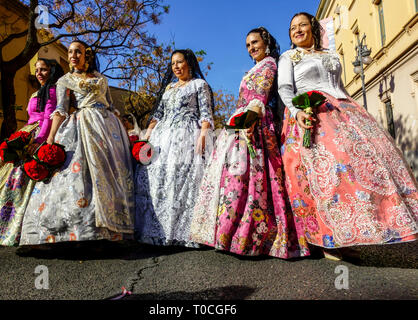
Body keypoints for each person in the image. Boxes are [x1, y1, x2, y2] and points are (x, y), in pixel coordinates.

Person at [278, 12, 418, 260]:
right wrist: (298, 112)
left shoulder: (331, 55)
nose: (297, 30)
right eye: (292, 28)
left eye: (302, 25)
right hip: (308, 113)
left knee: (367, 162)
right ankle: (328, 240)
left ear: (313, 28)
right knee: (326, 172)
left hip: (342, 108)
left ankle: (366, 226)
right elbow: (285, 89)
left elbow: (339, 86)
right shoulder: (289, 57)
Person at [190, 28, 305, 258]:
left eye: (255, 42)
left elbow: (261, 96)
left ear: (266, 43)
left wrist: (249, 121)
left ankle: (255, 237)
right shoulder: (253, 68)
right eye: (248, 45)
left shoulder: (270, 64)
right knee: (236, 180)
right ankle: (231, 233)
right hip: (241, 122)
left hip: (257, 122)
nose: (251, 48)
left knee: (255, 180)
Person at [19, 40, 134, 246]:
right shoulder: (65, 80)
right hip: (83, 124)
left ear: (86, 56)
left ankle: (113, 230)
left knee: (110, 175)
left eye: (77, 52)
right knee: (81, 176)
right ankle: (82, 230)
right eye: (70, 52)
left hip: (109, 128)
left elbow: (110, 105)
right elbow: (61, 109)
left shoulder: (101, 78)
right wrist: (52, 136)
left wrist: (124, 127)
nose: (73, 55)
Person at [0, 58, 63, 246]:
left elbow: (48, 118)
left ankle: (20, 229)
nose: (39, 73)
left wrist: (38, 141)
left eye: (43, 70)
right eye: (37, 70)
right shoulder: (37, 92)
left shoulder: (52, 91)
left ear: (52, 72)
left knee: (21, 180)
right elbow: (30, 118)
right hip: (27, 132)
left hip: (39, 134)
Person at [134, 49, 215, 247]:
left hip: (187, 135)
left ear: (189, 63)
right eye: (172, 64)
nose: (176, 67)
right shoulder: (169, 88)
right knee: (160, 179)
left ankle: (185, 231)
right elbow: (158, 114)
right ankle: (157, 231)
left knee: (182, 181)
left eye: (179, 62)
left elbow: (206, 112)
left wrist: (203, 134)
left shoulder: (199, 84)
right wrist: (148, 134)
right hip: (163, 137)